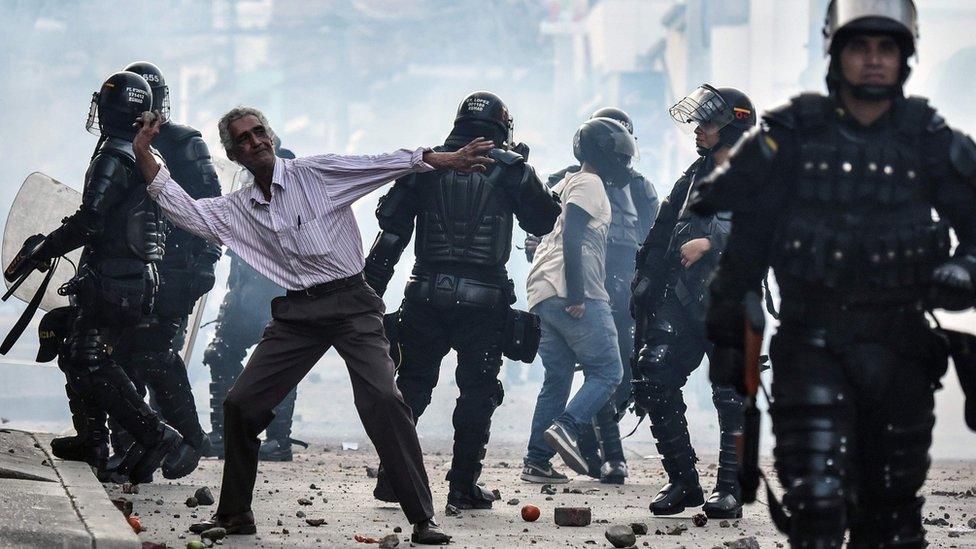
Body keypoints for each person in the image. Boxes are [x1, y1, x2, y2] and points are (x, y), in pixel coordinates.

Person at [131, 105, 496, 543]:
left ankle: (422, 519)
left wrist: (445, 159)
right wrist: (142, 151)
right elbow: (185, 210)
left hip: (352, 305)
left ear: (271, 134)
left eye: (259, 132)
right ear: (234, 155)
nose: (255, 142)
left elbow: (379, 165)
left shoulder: (314, 173)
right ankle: (234, 516)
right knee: (240, 406)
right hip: (299, 315)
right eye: (243, 140)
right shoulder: (239, 208)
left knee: (383, 399)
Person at [689, 0, 976, 545]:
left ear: (905, 55)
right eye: (860, 47)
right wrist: (731, 351)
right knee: (816, 503)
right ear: (836, 53)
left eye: (885, 47)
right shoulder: (789, 139)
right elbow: (744, 256)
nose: (873, 60)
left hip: (901, 347)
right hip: (811, 343)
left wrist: (964, 270)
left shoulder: (929, 140)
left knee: (889, 512)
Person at [364, 91, 560, 509]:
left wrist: (367, 296)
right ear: (502, 126)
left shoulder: (426, 165)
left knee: (411, 388)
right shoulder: (511, 169)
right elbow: (545, 219)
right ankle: (463, 486)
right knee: (479, 392)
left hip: (425, 295)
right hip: (484, 303)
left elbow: (391, 238)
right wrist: (524, 172)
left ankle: (392, 477)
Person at [22, 72, 183, 483]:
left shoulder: (115, 155)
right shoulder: (146, 155)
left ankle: (154, 435)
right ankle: (92, 440)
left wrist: (44, 250)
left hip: (114, 277)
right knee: (78, 351)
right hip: (131, 276)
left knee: (88, 358)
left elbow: (90, 219)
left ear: (109, 110)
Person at [630, 84, 756, 519]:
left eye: (707, 123)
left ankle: (730, 489)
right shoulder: (695, 174)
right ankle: (683, 481)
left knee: (729, 395)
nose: (698, 131)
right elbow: (666, 226)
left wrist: (712, 242)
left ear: (733, 127)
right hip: (681, 299)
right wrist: (645, 279)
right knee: (652, 378)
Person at [92, 61, 223, 479]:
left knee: (154, 354)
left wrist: (203, 265)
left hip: (176, 268)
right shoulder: (120, 146)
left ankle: (189, 437)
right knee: (121, 355)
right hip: (131, 271)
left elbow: (212, 211)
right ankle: (132, 448)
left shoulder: (185, 144)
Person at [526, 107, 659, 484]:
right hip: (580, 289)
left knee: (559, 377)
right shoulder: (589, 184)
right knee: (609, 372)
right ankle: (568, 428)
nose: (625, 160)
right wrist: (579, 294)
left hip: (555, 290)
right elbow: (570, 238)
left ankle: (537, 459)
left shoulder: (574, 182)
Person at [203, 140, 297, 462]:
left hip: (274, 286)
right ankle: (223, 434)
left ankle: (278, 440)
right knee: (220, 353)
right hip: (243, 285)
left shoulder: (289, 173)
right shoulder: (241, 176)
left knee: (279, 362)